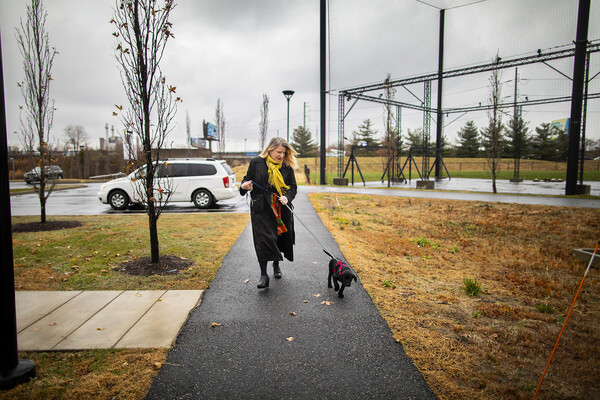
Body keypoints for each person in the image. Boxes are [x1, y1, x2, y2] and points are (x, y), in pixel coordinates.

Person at [240, 137, 298, 289]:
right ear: (270, 149)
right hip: (261, 208)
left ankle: (276, 264)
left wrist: (287, 197)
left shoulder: (286, 166)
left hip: (280, 208)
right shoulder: (256, 163)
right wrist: (244, 186)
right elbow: (246, 180)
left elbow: (293, 187)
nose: (281, 155)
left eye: (284, 153)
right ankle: (263, 275)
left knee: (277, 238)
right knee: (264, 239)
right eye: (279, 152)